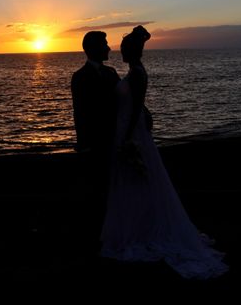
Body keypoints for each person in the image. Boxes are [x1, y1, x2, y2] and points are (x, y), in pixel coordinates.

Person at [100, 25, 229, 279]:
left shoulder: (137, 73)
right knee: (133, 182)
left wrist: (127, 138)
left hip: (131, 133)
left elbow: (136, 107)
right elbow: (140, 106)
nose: (120, 51)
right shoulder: (133, 72)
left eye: (124, 48)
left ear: (132, 51)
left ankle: (142, 230)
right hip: (127, 130)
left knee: (139, 180)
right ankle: (138, 226)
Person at [71, 31, 121, 244]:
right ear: (93, 48)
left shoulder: (111, 73)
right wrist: (84, 144)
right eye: (105, 44)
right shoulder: (80, 77)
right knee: (97, 190)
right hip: (95, 144)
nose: (109, 48)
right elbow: (80, 113)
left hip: (115, 140)